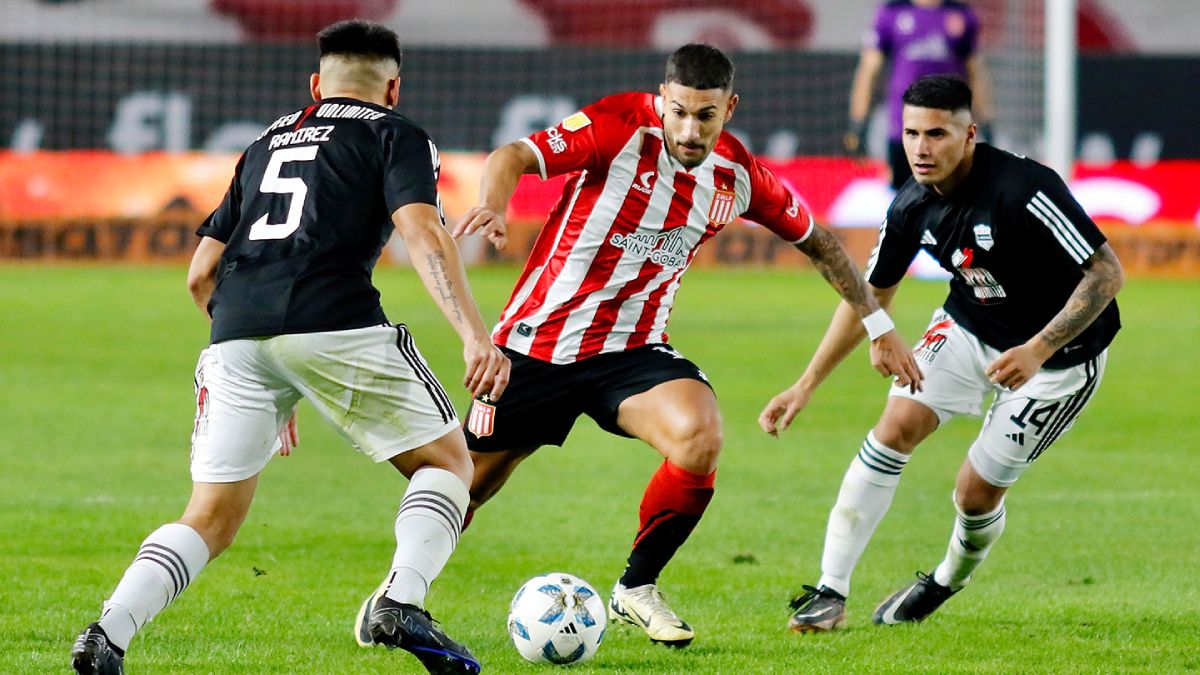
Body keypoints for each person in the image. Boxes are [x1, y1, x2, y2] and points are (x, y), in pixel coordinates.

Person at [70, 20, 508, 675]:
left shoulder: (263, 143)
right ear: (393, 86)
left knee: (210, 516)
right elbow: (422, 231)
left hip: (236, 332)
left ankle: (108, 631)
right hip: (335, 319)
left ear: (315, 84)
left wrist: (268, 361)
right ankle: (400, 599)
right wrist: (476, 332)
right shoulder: (396, 132)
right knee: (448, 463)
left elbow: (199, 273)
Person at [451, 43, 922, 647]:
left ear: (730, 108)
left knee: (701, 436)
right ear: (661, 100)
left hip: (632, 350)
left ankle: (636, 588)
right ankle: (400, 593)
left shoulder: (738, 175)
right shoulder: (617, 126)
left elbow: (822, 243)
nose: (690, 129)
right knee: (465, 488)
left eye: (705, 115)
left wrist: (879, 327)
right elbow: (514, 154)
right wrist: (493, 203)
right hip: (536, 346)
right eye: (678, 112)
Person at [762, 75, 1122, 632]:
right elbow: (869, 294)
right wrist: (806, 383)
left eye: (936, 133)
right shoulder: (908, 205)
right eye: (910, 133)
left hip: (1059, 358)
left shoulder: (1025, 188)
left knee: (973, 493)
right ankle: (829, 593)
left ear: (969, 134)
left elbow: (1106, 272)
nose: (921, 148)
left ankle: (945, 580)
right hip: (968, 325)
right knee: (894, 425)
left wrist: (1039, 347)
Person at [845, 0, 994, 191]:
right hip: (905, 131)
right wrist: (858, 124)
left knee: (951, 199)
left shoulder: (962, 15)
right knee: (905, 198)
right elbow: (869, 71)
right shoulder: (892, 12)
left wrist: (987, 123)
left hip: (949, 131)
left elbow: (976, 74)